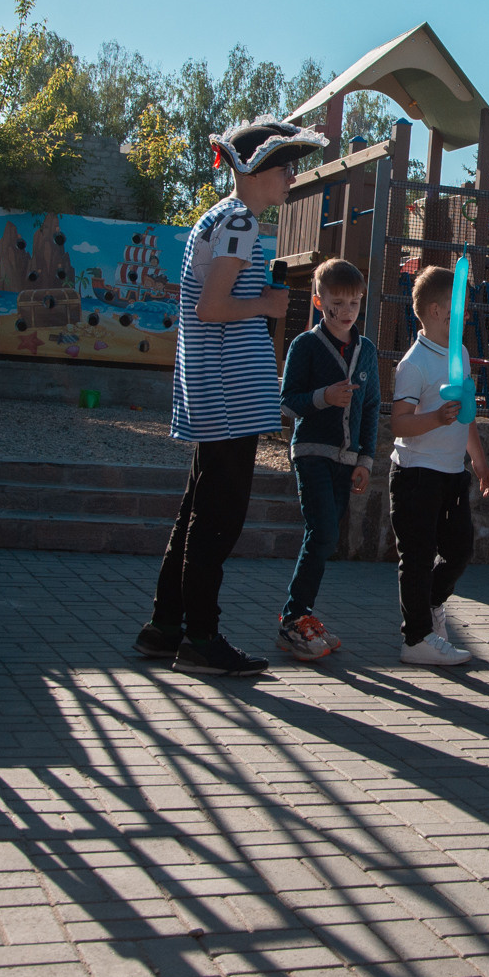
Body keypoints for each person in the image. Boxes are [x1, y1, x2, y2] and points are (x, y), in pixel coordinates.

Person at [133, 116, 327, 679]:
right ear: (258, 170)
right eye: (286, 167)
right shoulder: (241, 222)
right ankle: (200, 636)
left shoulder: (216, 218)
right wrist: (268, 307)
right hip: (228, 393)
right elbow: (211, 307)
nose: (291, 176)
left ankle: (165, 625)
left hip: (211, 388)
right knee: (218, 517)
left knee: (197, 510)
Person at [274, 258, 380, 663]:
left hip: (346, 458)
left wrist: (365, 460)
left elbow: (371, 408)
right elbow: (288, 402)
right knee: (322, 534)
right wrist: (324, 398)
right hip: (311, 453)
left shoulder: (366, 350)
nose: (348, 310)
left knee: (326, 538)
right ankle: (293, 618)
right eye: (338, 301)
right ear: (320, 302)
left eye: (355, 301)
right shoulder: (305, 345)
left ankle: (301, 615)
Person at [390, 264, 489, 668]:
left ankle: (430, 604)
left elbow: (464, 413)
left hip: (452, 473)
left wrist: (479, 459)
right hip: (416, 474)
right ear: (436, 310)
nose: (467, 313)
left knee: (460, 549)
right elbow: (399, 423)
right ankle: (415, 638)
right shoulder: (413, 363)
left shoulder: (462, 353)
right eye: (460, 306)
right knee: (416, 556)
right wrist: (435, 417)